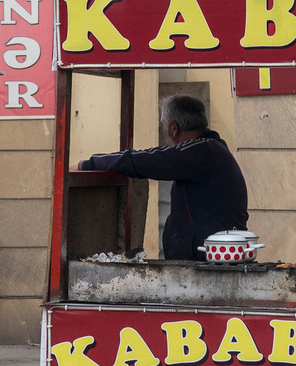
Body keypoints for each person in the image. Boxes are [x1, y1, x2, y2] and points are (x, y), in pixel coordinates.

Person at [77, 94, 247, 261]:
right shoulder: (208, 149)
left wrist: (87, 165)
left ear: (173, 128)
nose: (164, 132)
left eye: (163, 126)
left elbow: (144, 160)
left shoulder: (201, 151)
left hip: (211, 265)